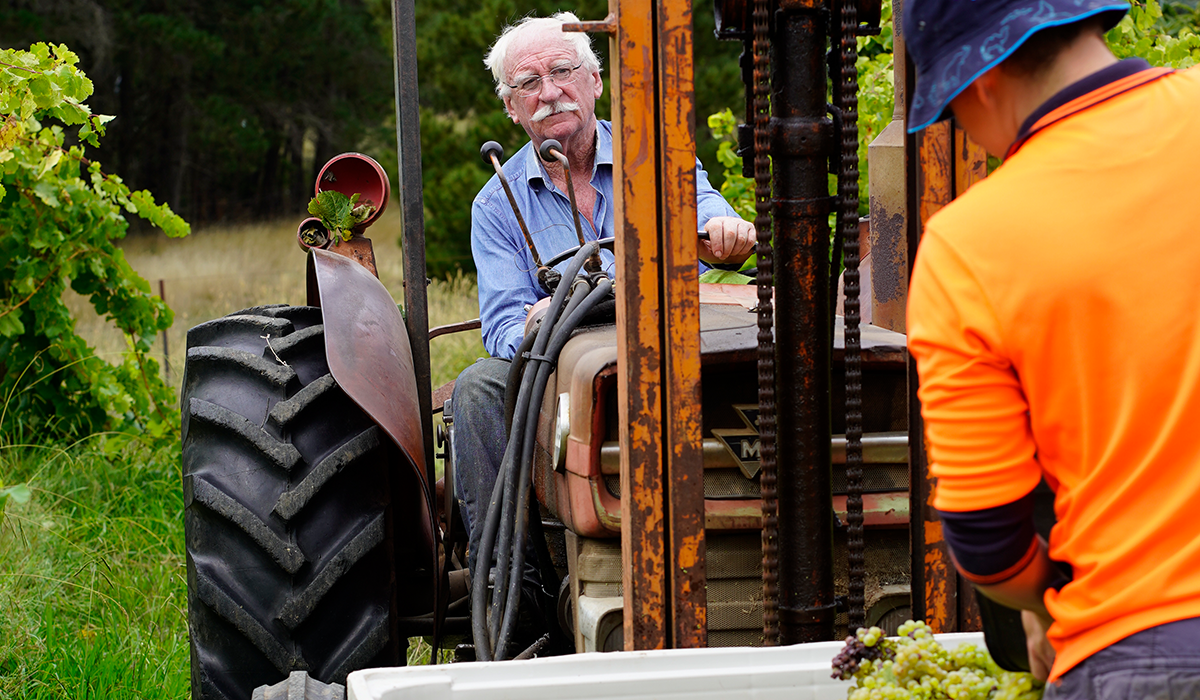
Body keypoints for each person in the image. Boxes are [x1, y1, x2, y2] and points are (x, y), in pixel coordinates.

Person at [903, 0, 1200, 695]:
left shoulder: (967, 246)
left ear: (979, 83)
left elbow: (987, 538)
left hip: (1145, 648)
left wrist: (1042, 604)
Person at [451, 11, 756, 635]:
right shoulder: (497, 202)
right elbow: (504, 326)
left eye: (562, 71)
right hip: (568, 363)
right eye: (527, 84)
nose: (549, 92)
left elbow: (707, 214)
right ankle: (515, 595)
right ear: (511, 109)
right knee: (478, 388)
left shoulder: (658, 155)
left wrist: (724, 230)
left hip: (668, 343)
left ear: (594, 80)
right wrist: (535, 321)